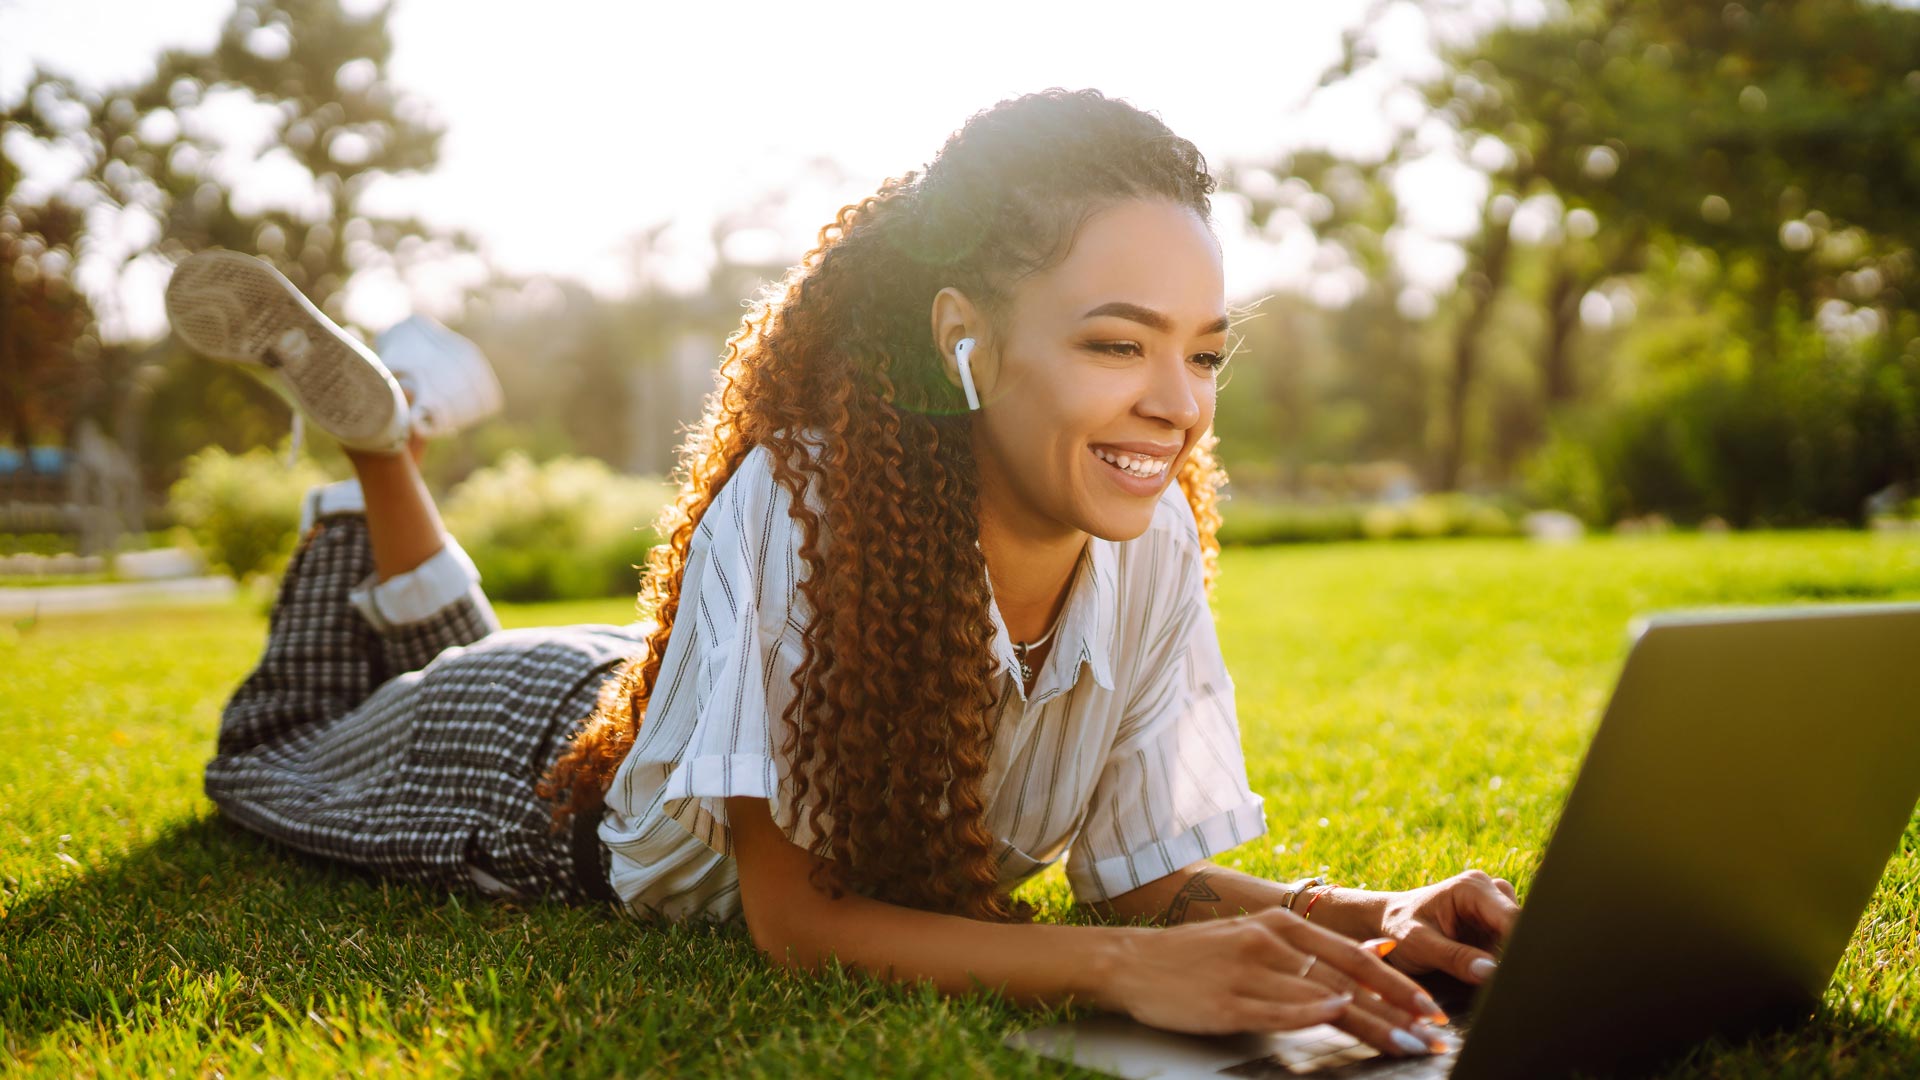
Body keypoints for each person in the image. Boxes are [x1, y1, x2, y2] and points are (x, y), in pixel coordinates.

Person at [170, 88, 1519, 1061]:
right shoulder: (803, 501)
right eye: (1118, 345)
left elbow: (1145, 879)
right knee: (291, 748)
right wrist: (1124, 972)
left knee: (435, 644)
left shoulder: (1152, 538)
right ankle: (373, 445)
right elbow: (794, 919)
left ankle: (383, 434)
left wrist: (1370, 913)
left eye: (1207, 353)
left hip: (660, 699)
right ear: (964, 342)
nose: (1177, 404)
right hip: (535, 773)